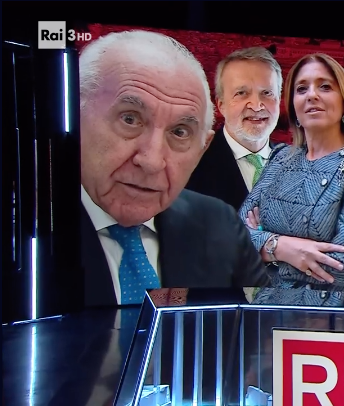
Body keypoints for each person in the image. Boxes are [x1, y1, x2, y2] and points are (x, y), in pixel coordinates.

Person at [79, 30, 270, 308]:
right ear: (74, 117)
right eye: (130, 119)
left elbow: (266, 322)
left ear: (202, 149)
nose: (152, 161)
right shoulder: (29, 239)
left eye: (180, 132)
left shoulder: (220, 223)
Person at [241, 53, 344, 293]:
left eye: (325, 86)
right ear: (294, 107)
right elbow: (236, 238)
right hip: (268, 307)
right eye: (301, 89)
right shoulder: (280, 157)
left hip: (328, 312)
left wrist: (265, 250)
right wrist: (282, 247)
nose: (311, 95)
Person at [186, 47, 282, 211]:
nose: (256, 106)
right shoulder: (192, 164)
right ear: (221, 105)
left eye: (267, 93)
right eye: (242, 93)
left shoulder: (297, 164)